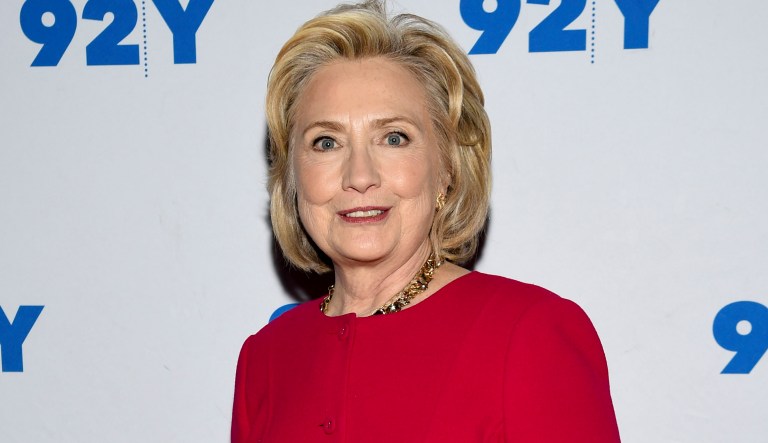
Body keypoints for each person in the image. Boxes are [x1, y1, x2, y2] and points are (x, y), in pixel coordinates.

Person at [232, 1, 621, 441]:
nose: (360, 176)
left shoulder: (527, 334)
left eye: (394, 138)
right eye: (326, 142)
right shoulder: (265, 357)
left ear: (448, 167)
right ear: (293, 177)